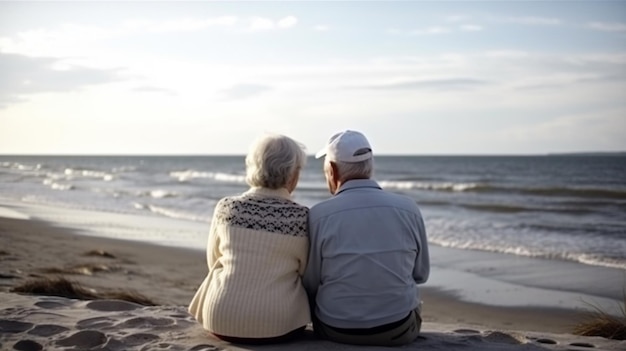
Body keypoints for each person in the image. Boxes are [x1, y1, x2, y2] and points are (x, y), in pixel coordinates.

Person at [303, 130, 430, 346]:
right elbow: (420, 274)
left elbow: (311, 282)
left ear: (332, 170)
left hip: (335, 329)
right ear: (370, 166)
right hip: (399, 329)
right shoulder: (409, 209)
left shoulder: (319, 215)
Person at [188, 133, 310, 344]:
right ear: (292, 174)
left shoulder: (226, 207)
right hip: (278, 325)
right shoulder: (301, 217)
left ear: (253, 166)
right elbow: (307, 272)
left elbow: (213, 261)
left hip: (219, 319)